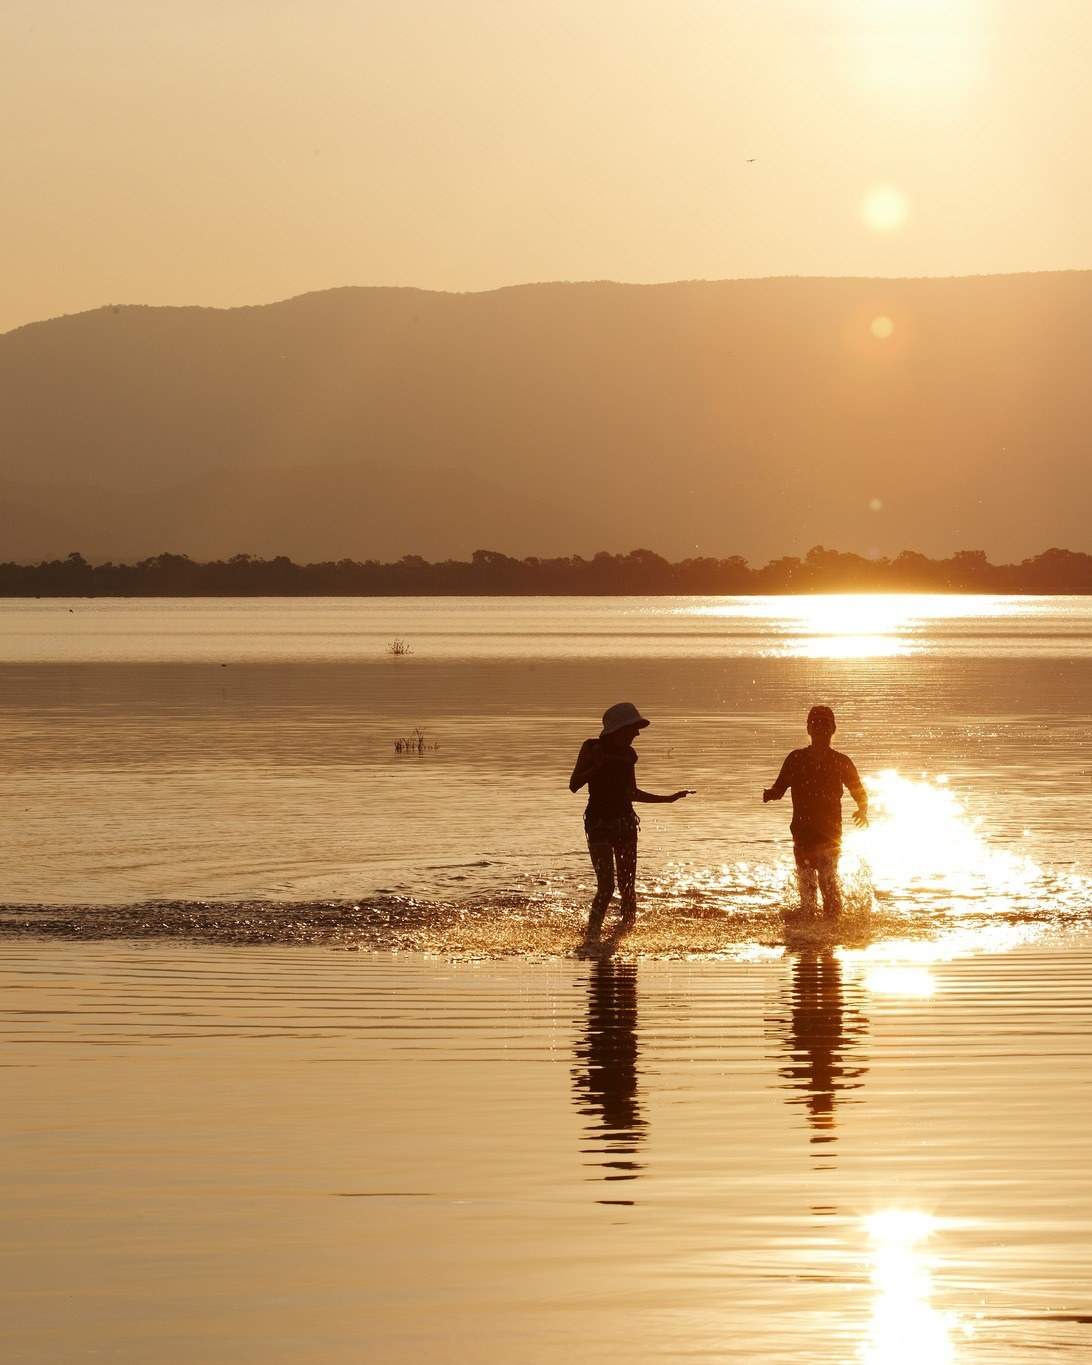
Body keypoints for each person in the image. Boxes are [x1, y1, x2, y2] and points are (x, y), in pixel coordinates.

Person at [569, 702, 693, 942]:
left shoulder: (629, 755)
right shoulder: (591, 747)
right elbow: (574, 785)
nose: (637, 733)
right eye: (633, 728)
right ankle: (591, 938)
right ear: (619, 729)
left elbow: (631, 793)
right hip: (598, 825)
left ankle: (624, 937)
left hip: (625, 823)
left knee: (628, 889)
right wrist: (596, 766)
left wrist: (668, 799)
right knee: (606, 888)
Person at [763, 705, 868, 916]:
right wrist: (771, 793)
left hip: (830, 833)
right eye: (816, 724)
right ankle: (809, 935)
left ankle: (832, 928)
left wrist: (863, 810)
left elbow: (860, 793)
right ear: (809, 729)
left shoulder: (841, 762)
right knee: (807, 885)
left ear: (833, 729)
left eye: (825, 725)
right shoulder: (795, 759)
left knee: (828, 883)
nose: (820, 729)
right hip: (802, 831)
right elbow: (780, 787)